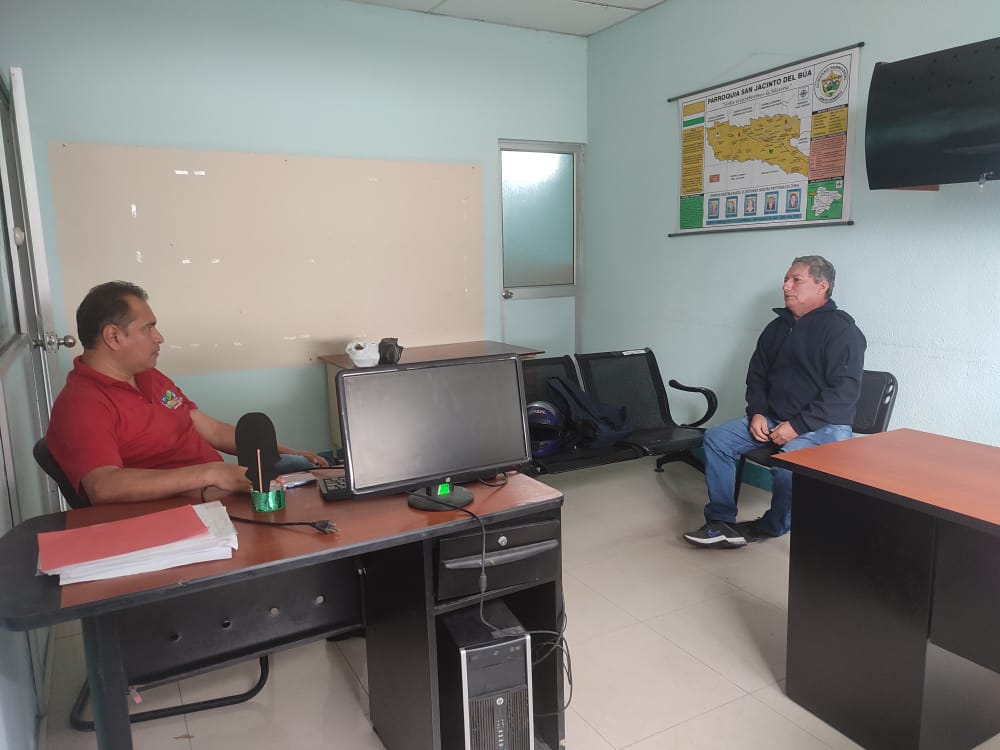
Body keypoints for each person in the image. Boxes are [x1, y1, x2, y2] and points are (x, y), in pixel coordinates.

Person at [47, 281, 328, 504]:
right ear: (113, 336)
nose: (159, 338)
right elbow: (103, 485)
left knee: (319, 491)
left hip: (217, 495)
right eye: (148, 329)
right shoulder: (82, 404)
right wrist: (211, 474)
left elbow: (213, 430)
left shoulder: (149, 377)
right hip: (178, 516)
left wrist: (283, 452)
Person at [683, 256, 866, 548]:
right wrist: (757, 412)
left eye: (796, 280)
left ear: (822, 287)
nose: (786, 286)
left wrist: (796, 426)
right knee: (717, 439)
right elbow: (756, 376)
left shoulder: (842, 331)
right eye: (786, 279)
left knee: (787, 466)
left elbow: (843, 393)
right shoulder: (777, 328)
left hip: (824, 427)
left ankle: (772, 526)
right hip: (773, 419)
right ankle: (720, 522)